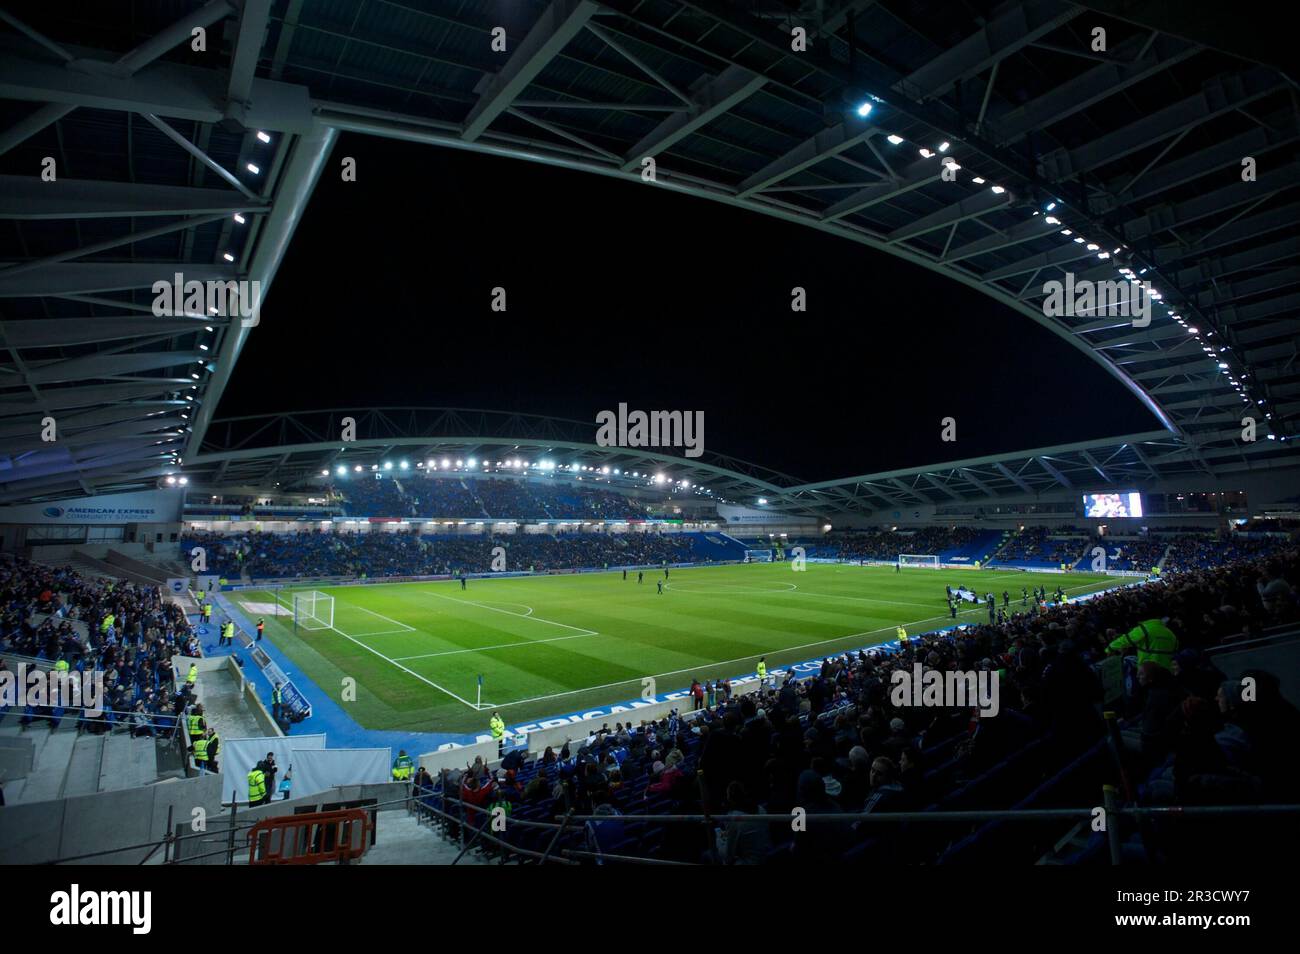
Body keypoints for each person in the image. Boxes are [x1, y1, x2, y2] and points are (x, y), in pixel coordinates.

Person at [1108, 618, 1178, 670]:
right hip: (1167, 670)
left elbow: (1125, 640)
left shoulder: (1143, 628)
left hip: (1148, 671)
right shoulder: (1170, 633)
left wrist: (1109, 648)